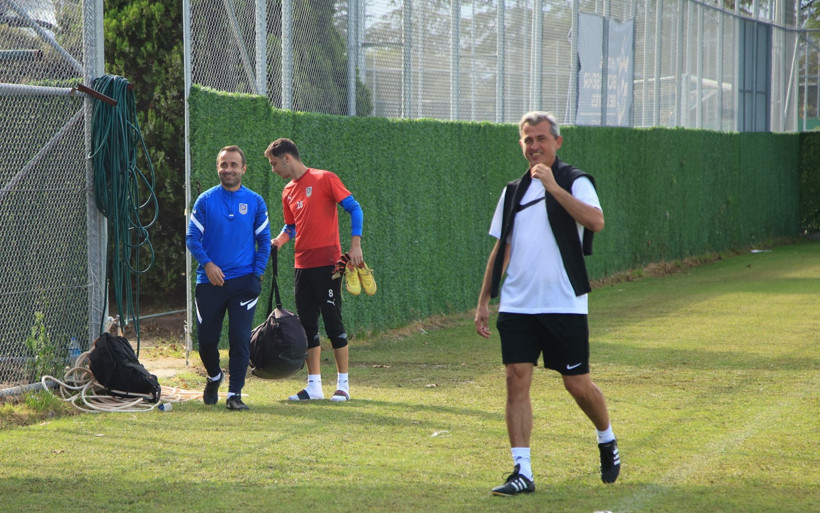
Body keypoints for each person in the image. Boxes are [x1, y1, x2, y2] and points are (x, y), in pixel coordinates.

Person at [474, 112, 620, 496]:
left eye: (541, 138)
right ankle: (522, 471)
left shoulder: (575, 181)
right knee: (515, 379)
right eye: (528, 139)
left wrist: (554, 187)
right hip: (518, 305)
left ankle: (606, 438)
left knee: (577, 385)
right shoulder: (512, 191)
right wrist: (484, 300)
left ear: (557, 142)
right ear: (521, 144)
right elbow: (502, 249)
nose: (534, 146)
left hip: (563, 303)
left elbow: (596, 222)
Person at [266, 138, 369, 402]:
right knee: (307, 325)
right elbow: (291, 226)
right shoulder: (287, 191)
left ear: (287, 158)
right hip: (302, 266)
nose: (273, 169)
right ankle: (314, 387)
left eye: (274, 164)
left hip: (329, 264)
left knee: (333, 323)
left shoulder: (325, 179)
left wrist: (355, 244)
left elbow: (355, 208)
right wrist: (280, 240)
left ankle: (343, 386)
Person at [186, 145, 271, 410]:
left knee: (239, 338)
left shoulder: (255, 201)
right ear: (218, 168)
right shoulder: (205, 200)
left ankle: (235, 395)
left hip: (243, 283)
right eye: (224, 164)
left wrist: (256, 274)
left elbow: (264, 241)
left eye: (234, 164)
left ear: (243, 169)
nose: (228, 169)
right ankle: (214, 376)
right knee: (207, 341)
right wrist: (208, 265)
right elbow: (192, 238)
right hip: (209, 282)